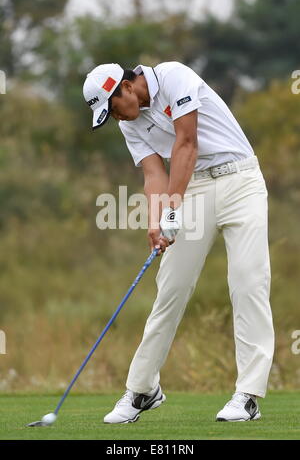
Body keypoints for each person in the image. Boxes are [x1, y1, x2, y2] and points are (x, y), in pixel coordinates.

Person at [83, 61, 275, 423]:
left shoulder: (174, 77)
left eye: (112, 110)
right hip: (194, 187)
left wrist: (172, 208)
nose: (117, 120)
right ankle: (142, 390)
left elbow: (187, 143)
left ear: (125, 87)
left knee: (249, 283)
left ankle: (247, 395)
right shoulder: (131, 124)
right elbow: (154, 172)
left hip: (241, 180)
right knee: (171, 287)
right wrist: (157, 219)